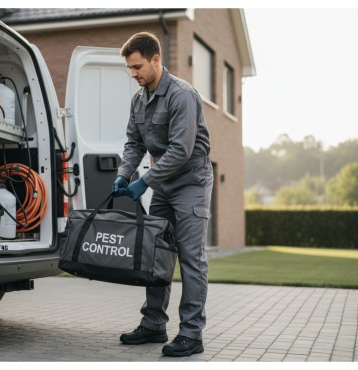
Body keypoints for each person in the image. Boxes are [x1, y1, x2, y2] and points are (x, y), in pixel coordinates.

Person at [111, 31, 213, 357]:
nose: (134, 74)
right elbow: (134, 143)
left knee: (190, 260)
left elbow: (182, 150)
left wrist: (145, 181)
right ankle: (154, 324)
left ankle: (192, 334)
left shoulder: (182, 95)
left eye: (137, 66)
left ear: (156, 59)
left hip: (191, 185)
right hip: (164, 187)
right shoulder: (139, 99)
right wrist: (124, 174)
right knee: (157, 257)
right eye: (130, 68)